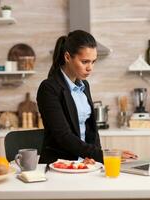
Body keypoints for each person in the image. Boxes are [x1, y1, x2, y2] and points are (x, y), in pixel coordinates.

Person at [37, 30, 136, 164]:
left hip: (85, 163)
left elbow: (92, 131)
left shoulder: (84, 86)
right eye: (84, 62)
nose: (90, 68)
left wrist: (99, 161)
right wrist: (103, 156)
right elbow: (63, 136)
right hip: (59, 165)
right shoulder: (49, 88)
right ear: (67, 57)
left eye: (93, 62)